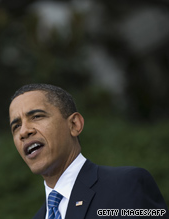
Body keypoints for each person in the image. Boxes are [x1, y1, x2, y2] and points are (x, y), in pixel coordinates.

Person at [9, 83, 168, 219]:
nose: (24, 132)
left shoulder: (126, 185)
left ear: (74, 125)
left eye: (36, 116)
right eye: (16, 126)